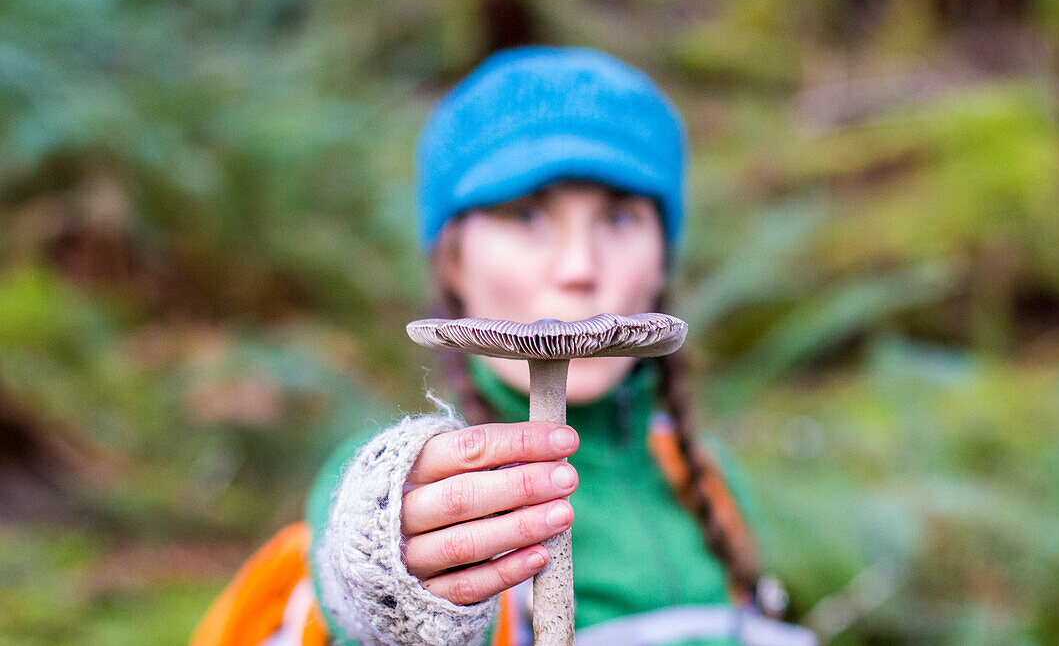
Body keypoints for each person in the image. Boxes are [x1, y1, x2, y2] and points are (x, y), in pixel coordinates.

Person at [192, 46, 815, 646]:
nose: (579, 266)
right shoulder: (410, 484)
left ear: (662, 260)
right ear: (454, 262)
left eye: (620, 217)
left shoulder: (706, 481)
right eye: (526, 216)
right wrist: (386, 573)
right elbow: (357, 583)